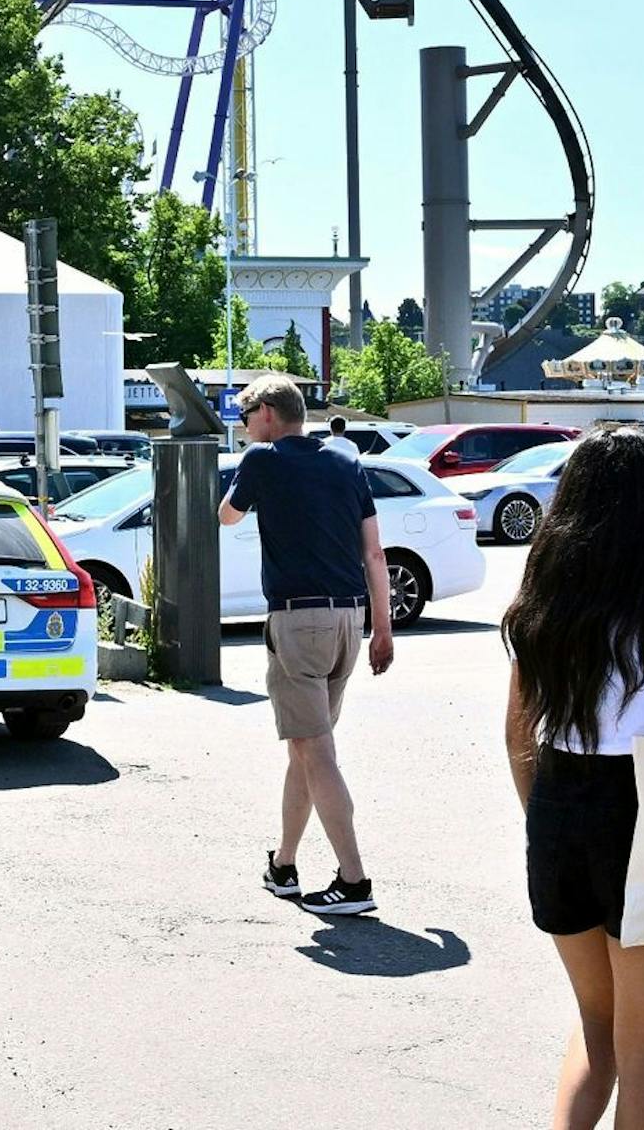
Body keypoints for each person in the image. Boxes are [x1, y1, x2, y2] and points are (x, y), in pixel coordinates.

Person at [502, 430, 644, 1129]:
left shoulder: (543, 586)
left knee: (595, 1031)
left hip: (558, 802)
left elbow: (518, 728)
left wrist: (541, 812)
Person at [219, 372, 393, 915]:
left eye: (247, 417)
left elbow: (226, 515)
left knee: (317, 752)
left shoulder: (264, 461)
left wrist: (249, 476)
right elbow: (375, 554)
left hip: (298, 623)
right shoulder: (346, 463)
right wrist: (383, 628)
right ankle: (284, 865)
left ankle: (355, 881)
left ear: (268, 413)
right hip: (349, 620)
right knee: (305, 748)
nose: (244, 427)